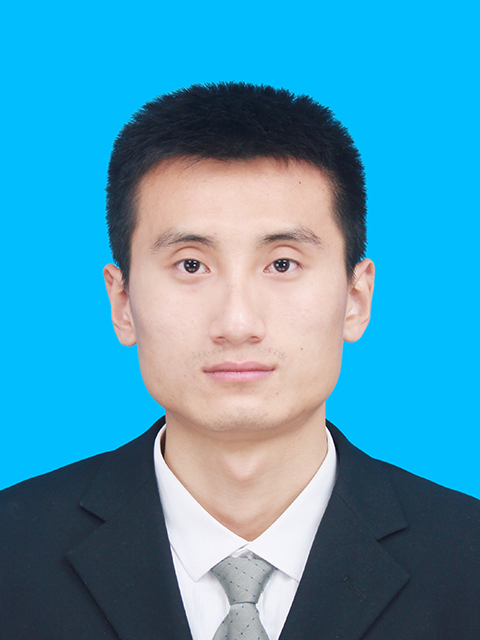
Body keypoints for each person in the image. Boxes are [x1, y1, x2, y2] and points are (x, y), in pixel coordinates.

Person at [1, 82, 479, 640]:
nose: (236, 323)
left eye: (282, 264)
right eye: (190, 265)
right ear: (122, 302)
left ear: (356, 298)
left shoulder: (466, 559)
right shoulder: (12, 552)